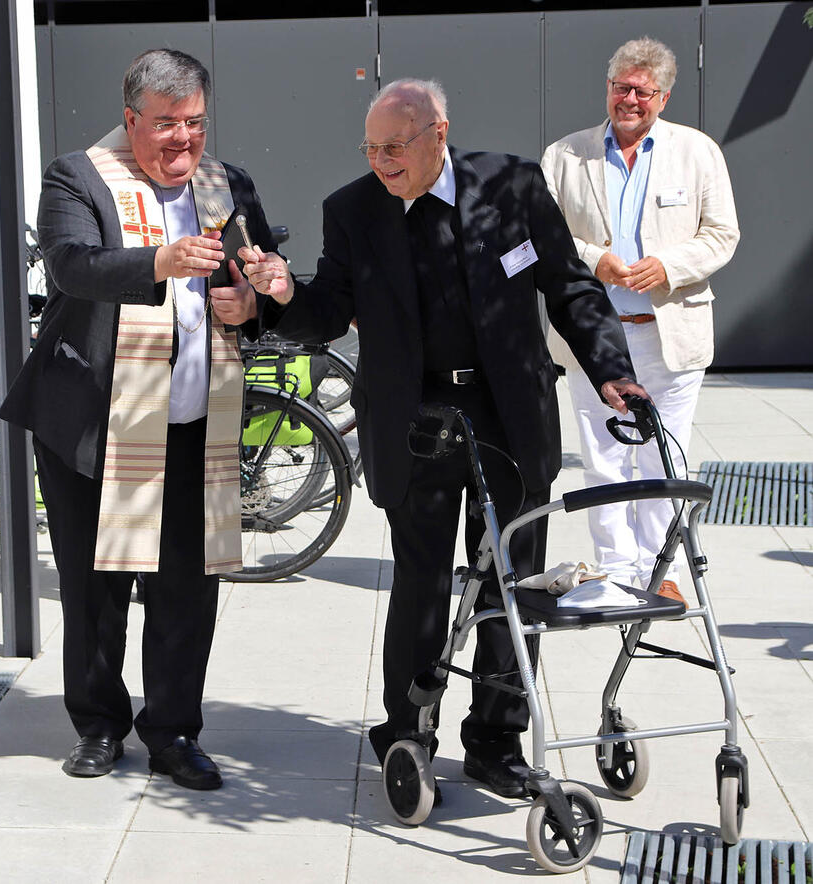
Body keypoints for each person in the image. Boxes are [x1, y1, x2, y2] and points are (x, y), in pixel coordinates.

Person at [238, 79, 647, 800]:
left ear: (439, 133)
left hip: (508, 414)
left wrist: (612, 370)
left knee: (513, 583)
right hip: (417, 420)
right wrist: (283, 294)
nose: (381, 162)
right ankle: (408, 731)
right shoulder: (353, 209)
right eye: (370, 148)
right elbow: (328, 309)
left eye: (394, 146)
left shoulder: (513, 186)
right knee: (421, 583)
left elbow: (568, 285)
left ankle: (496, 739)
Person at [0, 49, 277, 790]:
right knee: (97, 586)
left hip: (194, 422)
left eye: (196, 123)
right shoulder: (78, 177)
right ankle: (98, 725)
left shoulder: (228, 184)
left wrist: (251, 302)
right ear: (131, 120)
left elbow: (258, 273)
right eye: (166, 124)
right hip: (96, 421)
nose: (184, 140)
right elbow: (71, 265)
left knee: (188, 588)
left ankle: (175, 732)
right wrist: (160, 261)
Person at [541, 37, 739, 606]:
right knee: (603, 458)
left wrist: (670, 266)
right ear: (607, 87)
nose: (629, 100)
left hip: (669, 331)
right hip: (592, 333)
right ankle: (612, 569)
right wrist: (592, 258)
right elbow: (543, 234)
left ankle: (658, 571)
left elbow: (722, 234)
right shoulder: (566, 155)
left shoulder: (697, 152)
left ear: (664, 97)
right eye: (620, 87)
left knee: (663, 455)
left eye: (642, 92)